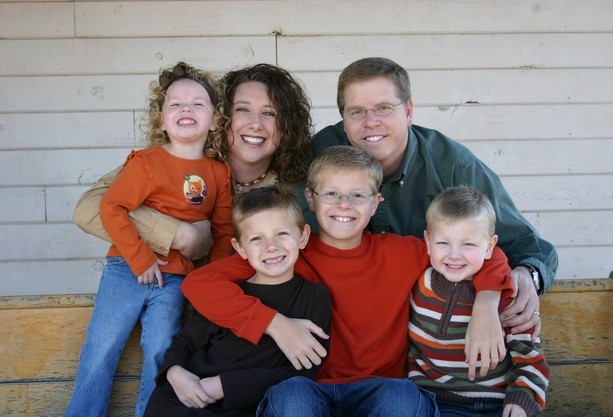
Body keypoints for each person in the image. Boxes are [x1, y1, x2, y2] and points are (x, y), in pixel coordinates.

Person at [183, 146, 515, 416]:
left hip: (380, 389)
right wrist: (273, 324)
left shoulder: (403, 252)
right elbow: (199, 284)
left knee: (403, 398)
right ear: (310, 199)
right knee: (290, 397)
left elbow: (486, 255)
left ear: (375, 203)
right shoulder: (287, 253)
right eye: (331, 193)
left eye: (358, 195)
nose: (344, 205)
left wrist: (487, 304)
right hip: (310, 387)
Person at [312, 57, 558, 340]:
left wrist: (527, 275)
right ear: (343, 118)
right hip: (345, 332)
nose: (371, 122)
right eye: (356, 112)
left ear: (408, 111)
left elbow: (524, 244)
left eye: (384, 108)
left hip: (437, 333)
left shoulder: (454, 167)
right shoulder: (320, 158)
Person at [64, 62, 234, 417]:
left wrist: (218, 283)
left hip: (175, 279)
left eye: (197, 104)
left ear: (215, 120)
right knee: (102, 345)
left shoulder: (219, 173)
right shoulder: (146, 162)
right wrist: (140, 259)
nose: (186, 109)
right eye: (176, 104)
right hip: (127, 268)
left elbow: (222, 234)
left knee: (160, 350)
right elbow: (112, 207)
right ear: (161, 120)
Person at [72, 63, 313, 262]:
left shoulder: (297, 193)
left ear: (287, 127)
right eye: (242, 109)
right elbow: (88, 209)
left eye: (269, 113)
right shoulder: (175, 159)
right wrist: (180, 235)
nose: (256, 124)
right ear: (219, 116)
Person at [143, 185, 331, 417]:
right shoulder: (228, 292)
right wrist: (175, 372)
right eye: (257, 238)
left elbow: (301, 374)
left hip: (245, 403)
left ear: (302, 236)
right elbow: (187, 341)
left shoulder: (314, 297)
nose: (271, 247)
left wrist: (224, 385)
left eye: (281, 233)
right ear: (240, 249)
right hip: (190, 395)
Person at [408, 186, 549, 417]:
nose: (454, 255)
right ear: (427, 240)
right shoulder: (418, 286)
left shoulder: (506, 295)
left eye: (468, 244)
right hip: (434, 402)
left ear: (490, 247)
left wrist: (523, 399)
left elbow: (530, 356)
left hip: (497, 404)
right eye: (443, 243)